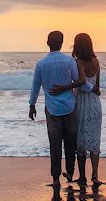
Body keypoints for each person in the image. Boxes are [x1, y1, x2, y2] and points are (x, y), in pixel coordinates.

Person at [29, 30, 81, 189]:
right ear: (62, 42)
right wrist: (93, 88)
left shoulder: (41, 64)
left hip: (52, 109)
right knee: (71, 141)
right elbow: (77, 80)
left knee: (55, 143)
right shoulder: (69, 61)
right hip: (70, 106)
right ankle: (70, 173)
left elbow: (35, 86)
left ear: (47, 43)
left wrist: (32, 105)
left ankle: (56, 177)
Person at [50, 33, 102, 187]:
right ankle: (95, 176)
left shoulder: (77, 62)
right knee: (94, 140)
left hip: (80, 103)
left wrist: (63, 88)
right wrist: (95, 90)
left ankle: (82, 177)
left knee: (81, 141)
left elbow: (81, 83)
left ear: (78, 45)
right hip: (95, 103)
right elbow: (97, 87)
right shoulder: (97, 61)